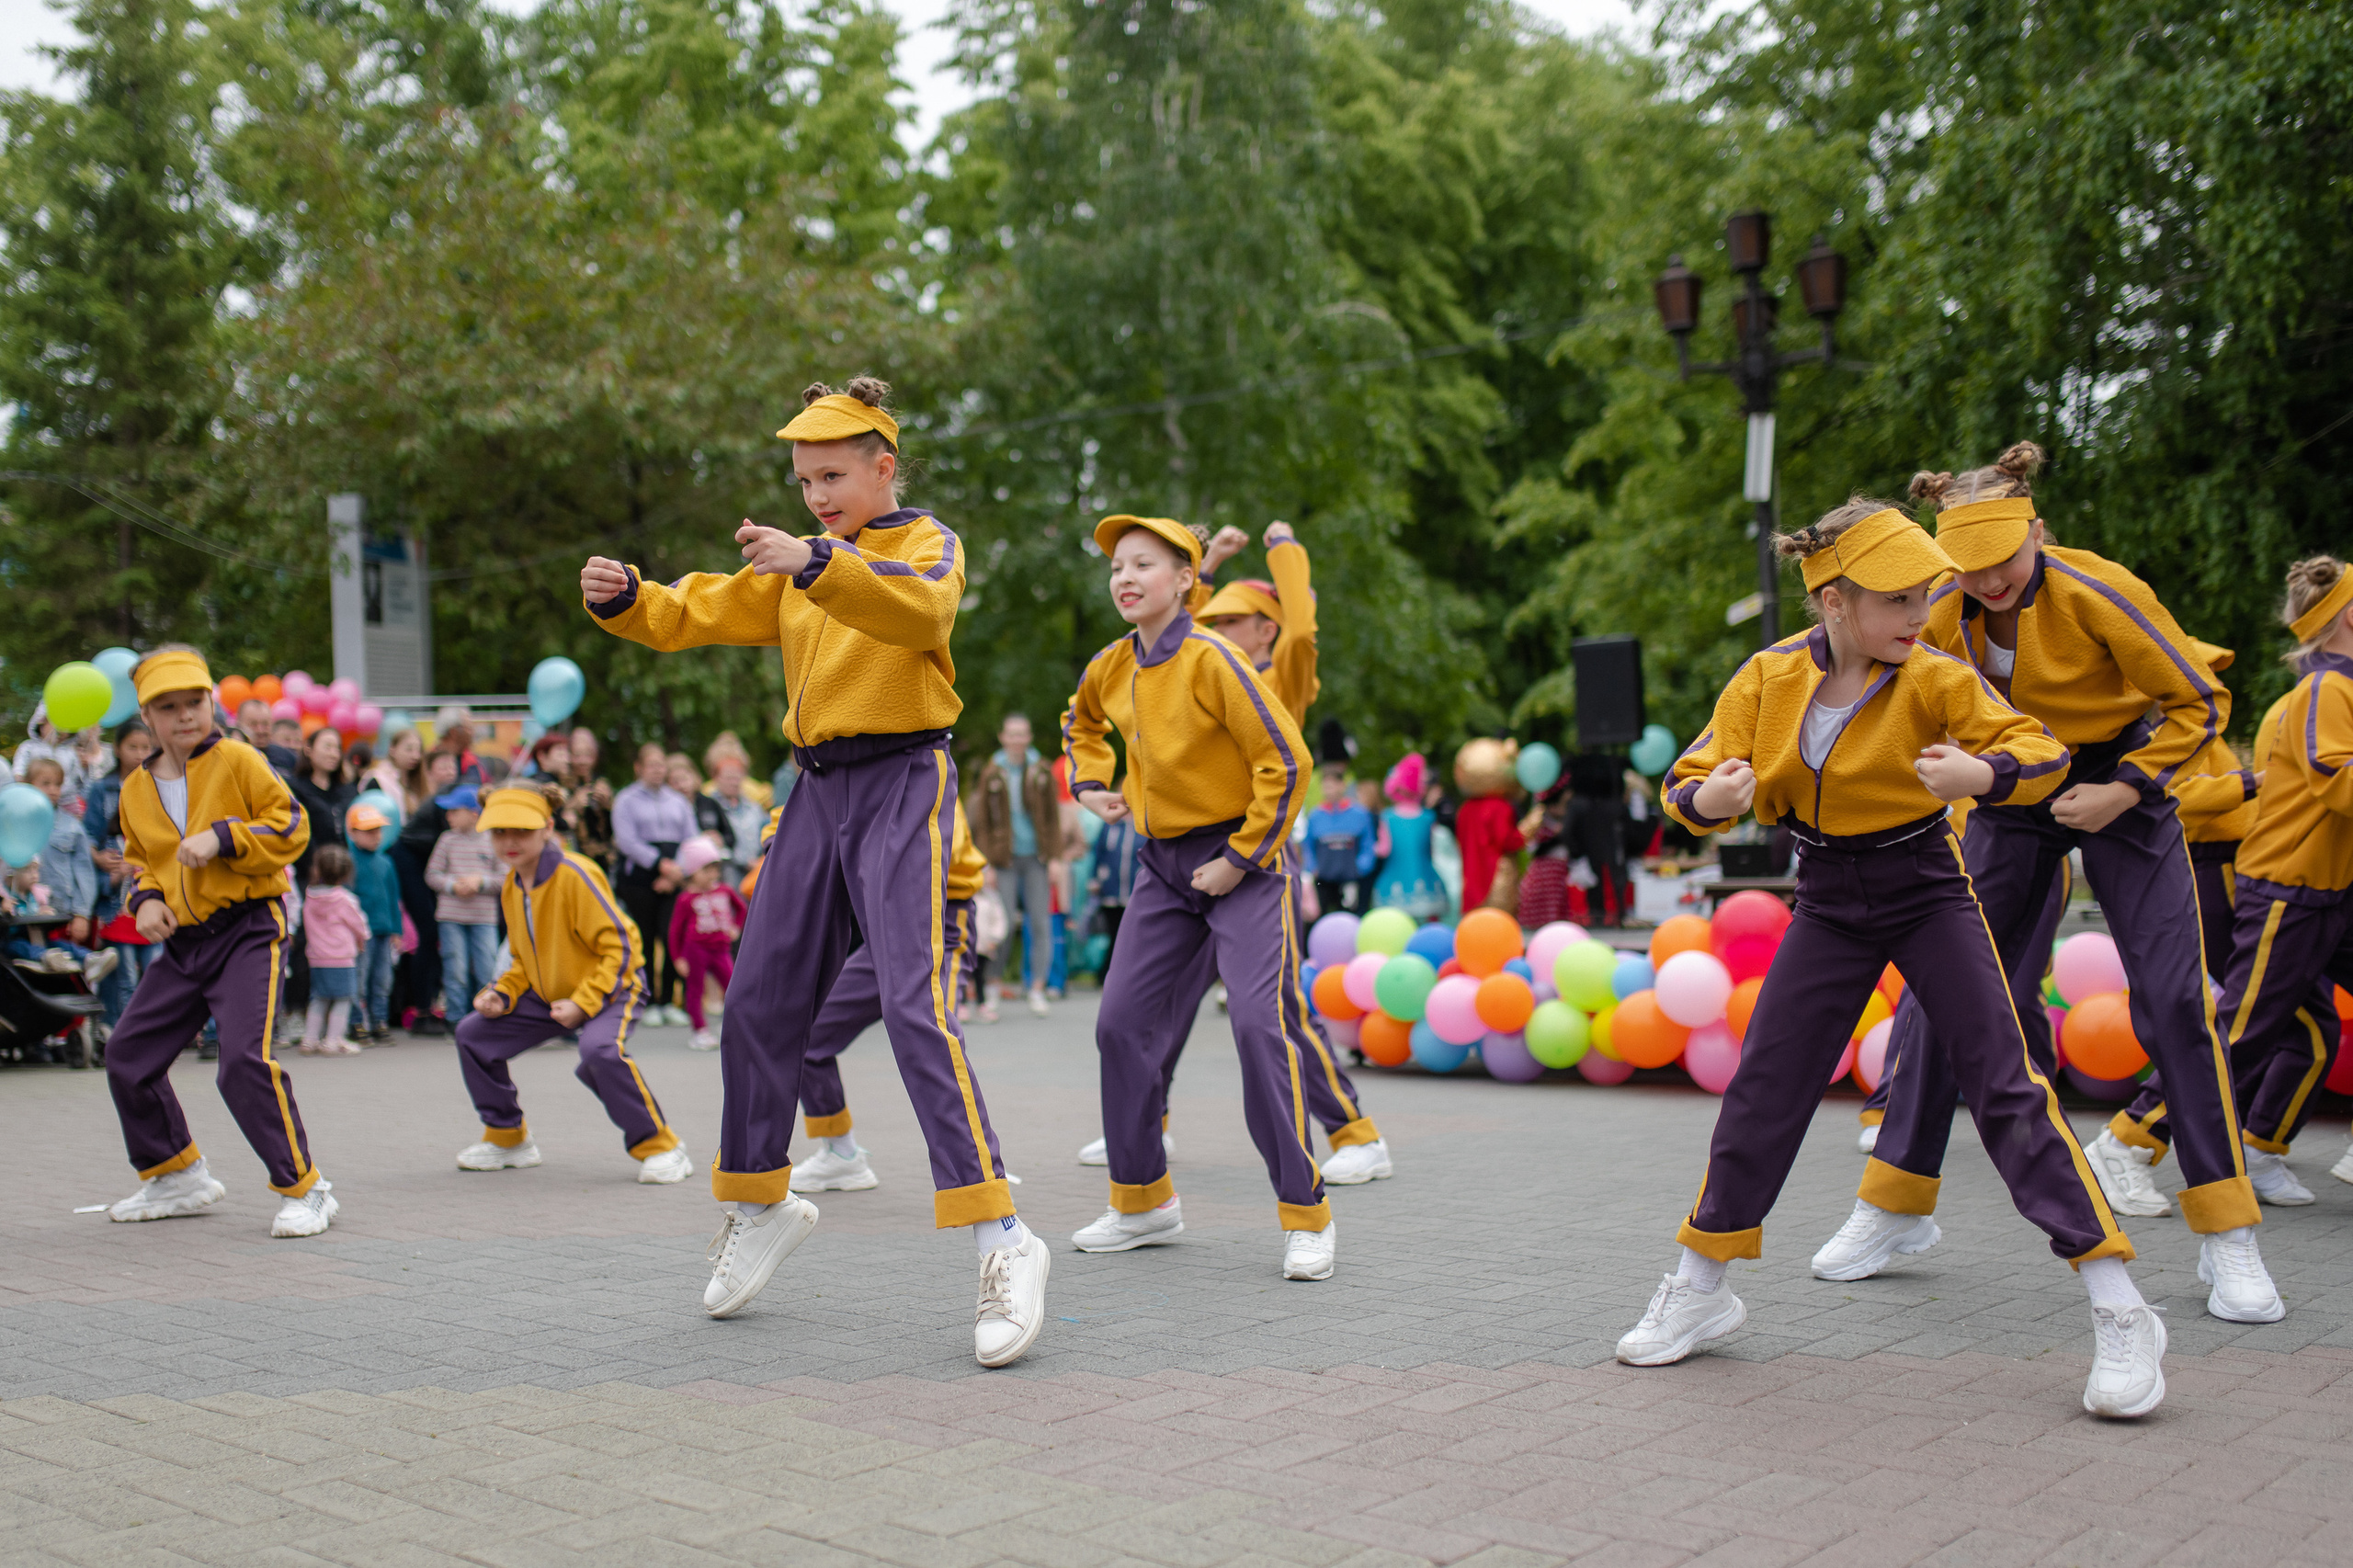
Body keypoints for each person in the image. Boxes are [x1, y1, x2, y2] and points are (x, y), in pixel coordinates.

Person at [1615, 501, 2164, 1415]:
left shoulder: (1938, 679)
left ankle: (2120, 1304)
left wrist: (1979, 777)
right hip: (1826, 899)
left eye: (1925, 594)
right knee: (1765, 1085)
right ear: (1833, 601)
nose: (1922, 611)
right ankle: (1701, 1286)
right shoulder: (1766, 678)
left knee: (2004, 1084)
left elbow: (2038, 749)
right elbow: (1686, 783)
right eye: (1898, 597)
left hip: (1925, 890)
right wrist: (1709, 799)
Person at [583, 375, 1047, 1366]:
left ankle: (1000, 1232)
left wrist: (819, 559)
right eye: (803, 481)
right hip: (813, 792)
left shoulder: (927, 541)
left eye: (833, 475)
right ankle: (759, 1200)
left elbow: (922, 616)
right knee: (755, 1005)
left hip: (902, 778)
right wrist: (634, 602)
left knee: (916, 1005)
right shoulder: (801, 563)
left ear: (885, 467)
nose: (818, 495)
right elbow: (706, 606)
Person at [1863, 445, 2279, 1325]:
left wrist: (2128, 787)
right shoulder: (1942, 607)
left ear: (2038, 533)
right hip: (2012, 789)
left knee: (2173, 1000)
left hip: (2122, 782)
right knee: (1952, 985)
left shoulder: (2100, 591)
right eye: (1967, 569)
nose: (1988, 582)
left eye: (2003, 561)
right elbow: (1890, 686)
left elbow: (2200, 704)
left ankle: (2227, 1232)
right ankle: (1894, 1207)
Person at [1062, 513, 1331, 1279]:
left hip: (1244, 863)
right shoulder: (1111, 665)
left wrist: (1240, 860)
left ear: (1185, 580)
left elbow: (1288, 762)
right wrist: (1089, 781)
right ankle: (1143, 1203)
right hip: (1161, 869)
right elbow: (1077, 722)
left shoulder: (1216, 660)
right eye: (1117, 567)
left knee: (1255, 1026)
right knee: (1118, 1027)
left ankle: (1306, 1213)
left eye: (1144, 564)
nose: (1125, 578)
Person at [1093, 518, 1389, 1187]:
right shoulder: (1193, 664)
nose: (1217, 628)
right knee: (1154, 1004)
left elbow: (1302, 629)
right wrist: (1214, 555)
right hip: (1180, 863)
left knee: (1272, 1012)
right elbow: (1167, 623)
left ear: (1266, 630)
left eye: (1235, 621)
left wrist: (1283, 551)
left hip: (1257, 849)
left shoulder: (1283, 670)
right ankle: (1147, 1125)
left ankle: (1352, 1130)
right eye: (1214, 619)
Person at [2110, 564, 2353, 1200]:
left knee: (2305, 1031)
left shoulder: (2324, 692)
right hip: (2274, 886)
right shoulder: (2325, 689)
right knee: (2244, 1029)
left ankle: (2258, 1143)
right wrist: (2245, 787)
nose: (2212, 679)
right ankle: (2129, 1138)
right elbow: (2333, 779)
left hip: (2321, 886)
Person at [99, 645, 338, 1239]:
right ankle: (176, 1174)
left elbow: (292, 826)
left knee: (241, 1063)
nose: (184, 715)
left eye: (195, 702)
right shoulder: (134, 788)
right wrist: (147, 901)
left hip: (250, 931)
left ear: (211, 702)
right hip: (183, 945)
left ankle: (307, 1189)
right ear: (147, 718)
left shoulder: (239, 758)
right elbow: (141, 863)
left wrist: (224, 839)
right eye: (168, 706)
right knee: (128, 1055)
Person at [453, 783, 693, 1183]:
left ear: (547, 828)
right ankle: (509, 1139)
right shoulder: (513, 884)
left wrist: (583, 1003)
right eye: (499, 832)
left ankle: (662, 1145)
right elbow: (522, 960)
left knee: (599, 1051)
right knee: (472, 1034)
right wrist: (501, 992)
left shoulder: (575, 873)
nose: (509, 842)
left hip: (614, 985)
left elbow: (623, 947)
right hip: (551, 995)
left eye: (521, 831)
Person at [791, 800, 991, 1191]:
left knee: (936, 1045)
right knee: (808, 1035)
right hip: (882, 928)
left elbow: (939, 848)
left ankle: (980, 1176)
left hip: (940, 920)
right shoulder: (829, 775)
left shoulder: (918, 767)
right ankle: (841, 1155)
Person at [968, 714, 1063, 1017]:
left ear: (1029, 737)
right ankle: (993, 985)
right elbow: (981, 821)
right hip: (1003, 859)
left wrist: (1057, 858)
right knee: (1002, 925)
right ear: (1002, 737)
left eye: (1022, 734)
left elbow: (1052, 818)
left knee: (1040, 923)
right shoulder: (992, 772)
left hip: (1036, 857)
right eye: (1012, 734)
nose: (1017, 740)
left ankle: (1037, 987)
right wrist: (985, 864)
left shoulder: (1042, 771)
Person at [613, 741, 695, 1027]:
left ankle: (669, 1001)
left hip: (674, 876)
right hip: (640, 876)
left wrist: (677, 871)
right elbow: (626, 841)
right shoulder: (626, 799)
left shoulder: (678, 800)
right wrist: (659, 864)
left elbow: (690, 838)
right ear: (639, 768)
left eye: (662, 765)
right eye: (652, 765)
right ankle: (647, 1000)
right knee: (644, 938)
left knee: (672, 934)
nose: (658, 770)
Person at [22, 756, 115, 984]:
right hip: (20, 913)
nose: (53, 790)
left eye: (57, 784)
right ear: (28, 784)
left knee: (64, 979)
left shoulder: (72, 826)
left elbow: (84, 873)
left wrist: (82, 914)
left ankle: (90, 961)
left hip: (60, 915)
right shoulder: (15, 822)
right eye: (46, 783)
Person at [426, 783, 501, 1037]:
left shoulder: (494, 840)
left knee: (486, 968)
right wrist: (452, 885)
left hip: (483, 918)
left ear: (473, 813)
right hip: (451, 916)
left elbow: (505, 877)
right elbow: (432, 874)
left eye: (454, 811)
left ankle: (485, 1020)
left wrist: (481, 882)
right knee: (455, 969)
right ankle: (456, 1021)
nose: (448, 816)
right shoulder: (447, 840)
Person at [392, 748, 459, 1033]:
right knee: (427, 933)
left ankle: (426, 1005)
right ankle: (421, 1011)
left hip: (424, 860)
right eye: (442, 764)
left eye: (452, 764)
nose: (449, 770)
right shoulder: (448, 798)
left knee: (433, 934)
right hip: (409, 859)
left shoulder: (454, 792)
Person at [667, 836, 745, 1050]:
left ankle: (729, 1026)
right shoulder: (686, 899)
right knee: (695, 990)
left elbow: (741, 909)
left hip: (721, 949)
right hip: (696, 950)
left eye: (715, 869)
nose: (712, 875)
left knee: (733, 988)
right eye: (706, 870)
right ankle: (699, 1031)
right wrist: (678, 957)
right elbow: (675, 931)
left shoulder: (725, 890)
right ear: (693, 872)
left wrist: (735, 927)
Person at [300, 845, 368, 1055]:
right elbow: (359, 924)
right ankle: (333, 1040)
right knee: (343, 999)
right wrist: (363, 939)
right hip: (341, 958)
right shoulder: (345, 899)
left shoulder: (310, 897)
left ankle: (310, 1040)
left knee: (319, 998)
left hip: (317, 957)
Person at [347, 803, 404, 1044]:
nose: (376, 836)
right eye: (368, 831)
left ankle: (379, 1020)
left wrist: (397, 930)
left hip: (383, 931)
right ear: (352, 833)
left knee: (382, 979)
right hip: (361, 934)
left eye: (378, 831)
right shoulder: (348, 861)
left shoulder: (386, 862)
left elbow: (394, 897)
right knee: (359, 978)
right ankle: (356, 1023)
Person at [1372, 755, 1445, 918]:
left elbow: (1384, 850)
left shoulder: (1388, 817)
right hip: (1425, 881)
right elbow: (1431, 851)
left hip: (1395, 883)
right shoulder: (1428, 817)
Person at [1305, 765, 1378, 917]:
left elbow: (1368, 845)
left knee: (1351, 916)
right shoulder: (1315, 816)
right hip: (1323, 880)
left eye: (1332, 785)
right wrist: (1313, 868)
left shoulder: (1359, 814)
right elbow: (1308, 847)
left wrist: (1360, 868)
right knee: (1320, 917)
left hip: (1350, 879)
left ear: (1342, 785)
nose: (1328, 790)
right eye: (1325, 786)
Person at [290, 725, 356, 888]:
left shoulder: (348, 790)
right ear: (309, 750)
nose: (334, 753)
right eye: (327, 747)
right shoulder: (295, 788)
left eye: (337, 748)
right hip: (311, 875)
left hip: (346, 873)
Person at [704, 738, 772, 886]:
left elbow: (767, 832)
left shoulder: (754, 807)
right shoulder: (708, 807)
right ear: (715, 777)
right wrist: (744, 861)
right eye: (728, 777)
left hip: (756, 874)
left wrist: (761, 859)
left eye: (737, 776)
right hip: (725, 877)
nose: (734, 781)